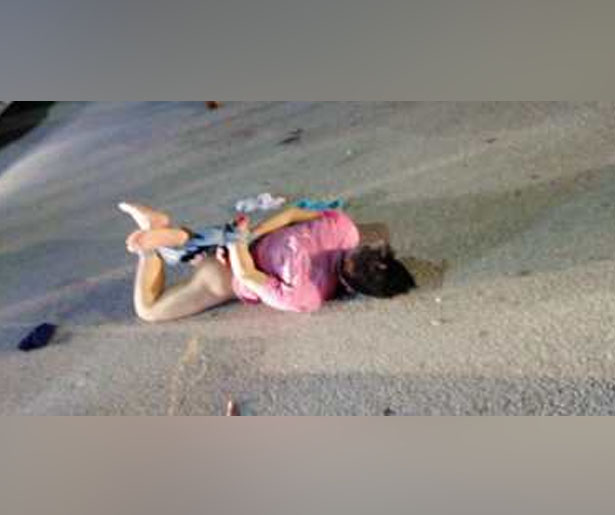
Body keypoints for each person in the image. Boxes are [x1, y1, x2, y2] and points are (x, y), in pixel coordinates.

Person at [118, 202, 415, 322]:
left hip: (246, 238)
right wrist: (236, 242)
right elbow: (247, 276)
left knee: (200, 248)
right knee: (149, 310)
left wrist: (248, 234)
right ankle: (150, 247)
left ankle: (172, 235)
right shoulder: (307, 295)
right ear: (353, 289)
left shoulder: (344, 228)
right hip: (226, 276)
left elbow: (292, 213)